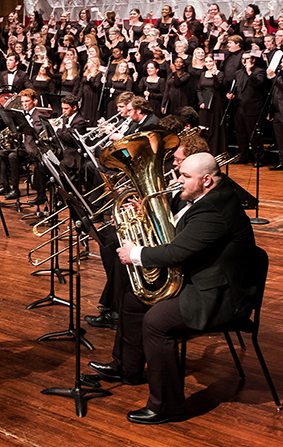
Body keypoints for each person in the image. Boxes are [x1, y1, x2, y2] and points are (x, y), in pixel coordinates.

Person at [89, 153, 260, 424]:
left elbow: (177, 251)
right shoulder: (201, 197)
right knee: (133, 299)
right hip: (202, 278)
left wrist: (137, 253)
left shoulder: (215, 208)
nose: (177, 178)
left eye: (185, 176)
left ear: (206, 180)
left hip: (219, 295)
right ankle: (126, 369)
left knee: (157, 322)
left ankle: (167, 406)